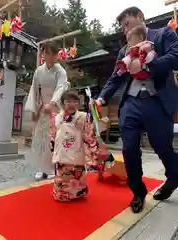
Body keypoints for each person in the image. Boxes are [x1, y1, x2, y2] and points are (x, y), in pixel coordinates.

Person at [95, 6, 178, 213]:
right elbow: (116, 76)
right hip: (131, 103)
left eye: (127, 24)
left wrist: (148, 66)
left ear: (140, 17)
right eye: (122, 27)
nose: (124, 30)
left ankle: (174, 177)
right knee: (129, 148)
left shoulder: (163, 34)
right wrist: (102, 97)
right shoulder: (124, 50)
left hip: (157, 101)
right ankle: (138, 192)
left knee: (162, 147)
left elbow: (176, 55)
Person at [52, 90, 110, 202]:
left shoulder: (83, 116)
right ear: (63, 103)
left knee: (77, 173)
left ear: (78, 104)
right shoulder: (57, 117)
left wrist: (93, 111)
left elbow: (90, 131)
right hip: (62, 151)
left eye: (75, 101)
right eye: (68, 101)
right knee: (63, 174)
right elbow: (54, 134)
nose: (71, 104)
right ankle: (62, 194)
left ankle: (78, 193)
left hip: (76, 148)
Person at [25, 41, 70, 181]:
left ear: (57, 55)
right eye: (45, 52)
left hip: (56, 108)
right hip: (42, 107)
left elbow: (61, 87)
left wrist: (52, 103)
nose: (48, 56)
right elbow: (34, 90)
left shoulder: (60, 71)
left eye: (51, 53)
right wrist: (34, 108)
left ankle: (53, 168)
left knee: (54, 139)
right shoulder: (39, 71)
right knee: (40, 139)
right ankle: (41, 168)